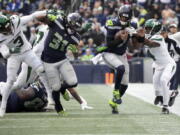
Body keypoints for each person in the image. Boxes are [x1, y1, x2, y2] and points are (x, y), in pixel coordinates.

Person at [102, 5, 157, 114]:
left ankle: (113, 102)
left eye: (125, 17)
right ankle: (116, 92)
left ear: (130, 18)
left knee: (125, 84)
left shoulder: (133, 25)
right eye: (122, 17)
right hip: (109, 53)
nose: (123, 19)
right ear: (118, 15)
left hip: (122, 55)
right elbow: (109, 44)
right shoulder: (112, 23)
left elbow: (135, 44)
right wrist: (119, 39)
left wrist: (140, 37)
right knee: (120, 68)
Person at [0, 11, 50, 117]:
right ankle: (2, 107)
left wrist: (45, 12)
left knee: (40, 70)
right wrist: (11, 50)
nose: (9, 29)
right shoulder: (1, 37)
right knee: (11, 82)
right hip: (14, 56)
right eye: (6, 28)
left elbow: (32, 16)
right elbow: (4, 54)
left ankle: (51, 99)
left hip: (27, 52)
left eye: (9, 26)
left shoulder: (15, 21)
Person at [35, 10, 85, 115]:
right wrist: (47, 15)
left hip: (62, 59)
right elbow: (38, 17)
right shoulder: (57, 22)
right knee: (55, 87)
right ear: (68, 22)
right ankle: (59, 108)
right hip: (48, 61)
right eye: (73, 26)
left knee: (73, 82)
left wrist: (76, 51)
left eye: (75, 27)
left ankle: (63, 89)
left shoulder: (76, 37)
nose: (73, 29)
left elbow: (77, 55)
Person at [144, 19, 176, 114]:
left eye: (149, 28)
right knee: (156, 85)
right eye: (146, 28)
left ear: (155, 28)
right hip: (158, 65)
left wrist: (138, 37)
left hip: (168, 64)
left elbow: (150, 43)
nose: (147, 30)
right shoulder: (148, 36)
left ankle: (165, 107)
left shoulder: (158, 37)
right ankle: (170, 93)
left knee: (163, 80)